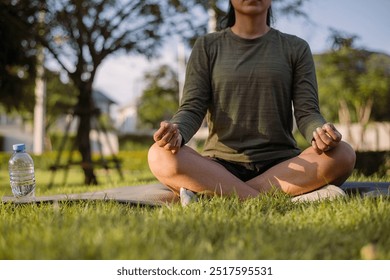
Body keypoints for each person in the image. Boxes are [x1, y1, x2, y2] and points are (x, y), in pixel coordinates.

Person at [147, 0, 356, 204]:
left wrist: (319, 132)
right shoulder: (207, 46)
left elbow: (307, 112)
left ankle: (216, 192)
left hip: (282, 164)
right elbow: (192, 108)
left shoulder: (296, 47)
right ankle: (284, 198)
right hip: (219, 166)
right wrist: (178, 131)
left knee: (343, 154)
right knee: (159, 155)